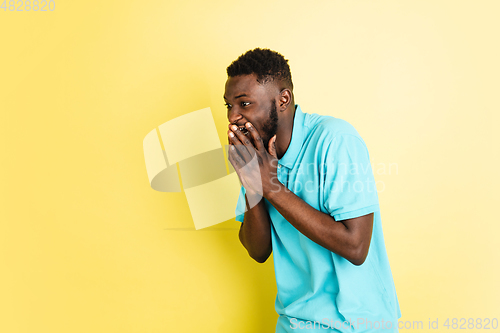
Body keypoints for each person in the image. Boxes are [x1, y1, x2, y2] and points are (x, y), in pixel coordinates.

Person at [225, 48, 401, 332]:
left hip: (355, 324)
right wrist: (252, 185)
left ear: (283, 99)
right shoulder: (257, 158)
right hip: (294, 323)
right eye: (228, 106)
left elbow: (355, 247)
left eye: (244, 104)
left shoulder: (336, 140)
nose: (233, 117)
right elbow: (258, 251)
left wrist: (270, 187)